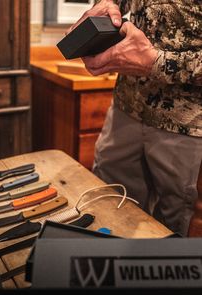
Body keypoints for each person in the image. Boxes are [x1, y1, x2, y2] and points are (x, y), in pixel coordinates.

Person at [67, 0, 202, 237]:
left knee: (174, 228)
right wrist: (106, 4)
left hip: (186, 127)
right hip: (125, 110)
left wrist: (154, 62)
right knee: (106, 206)